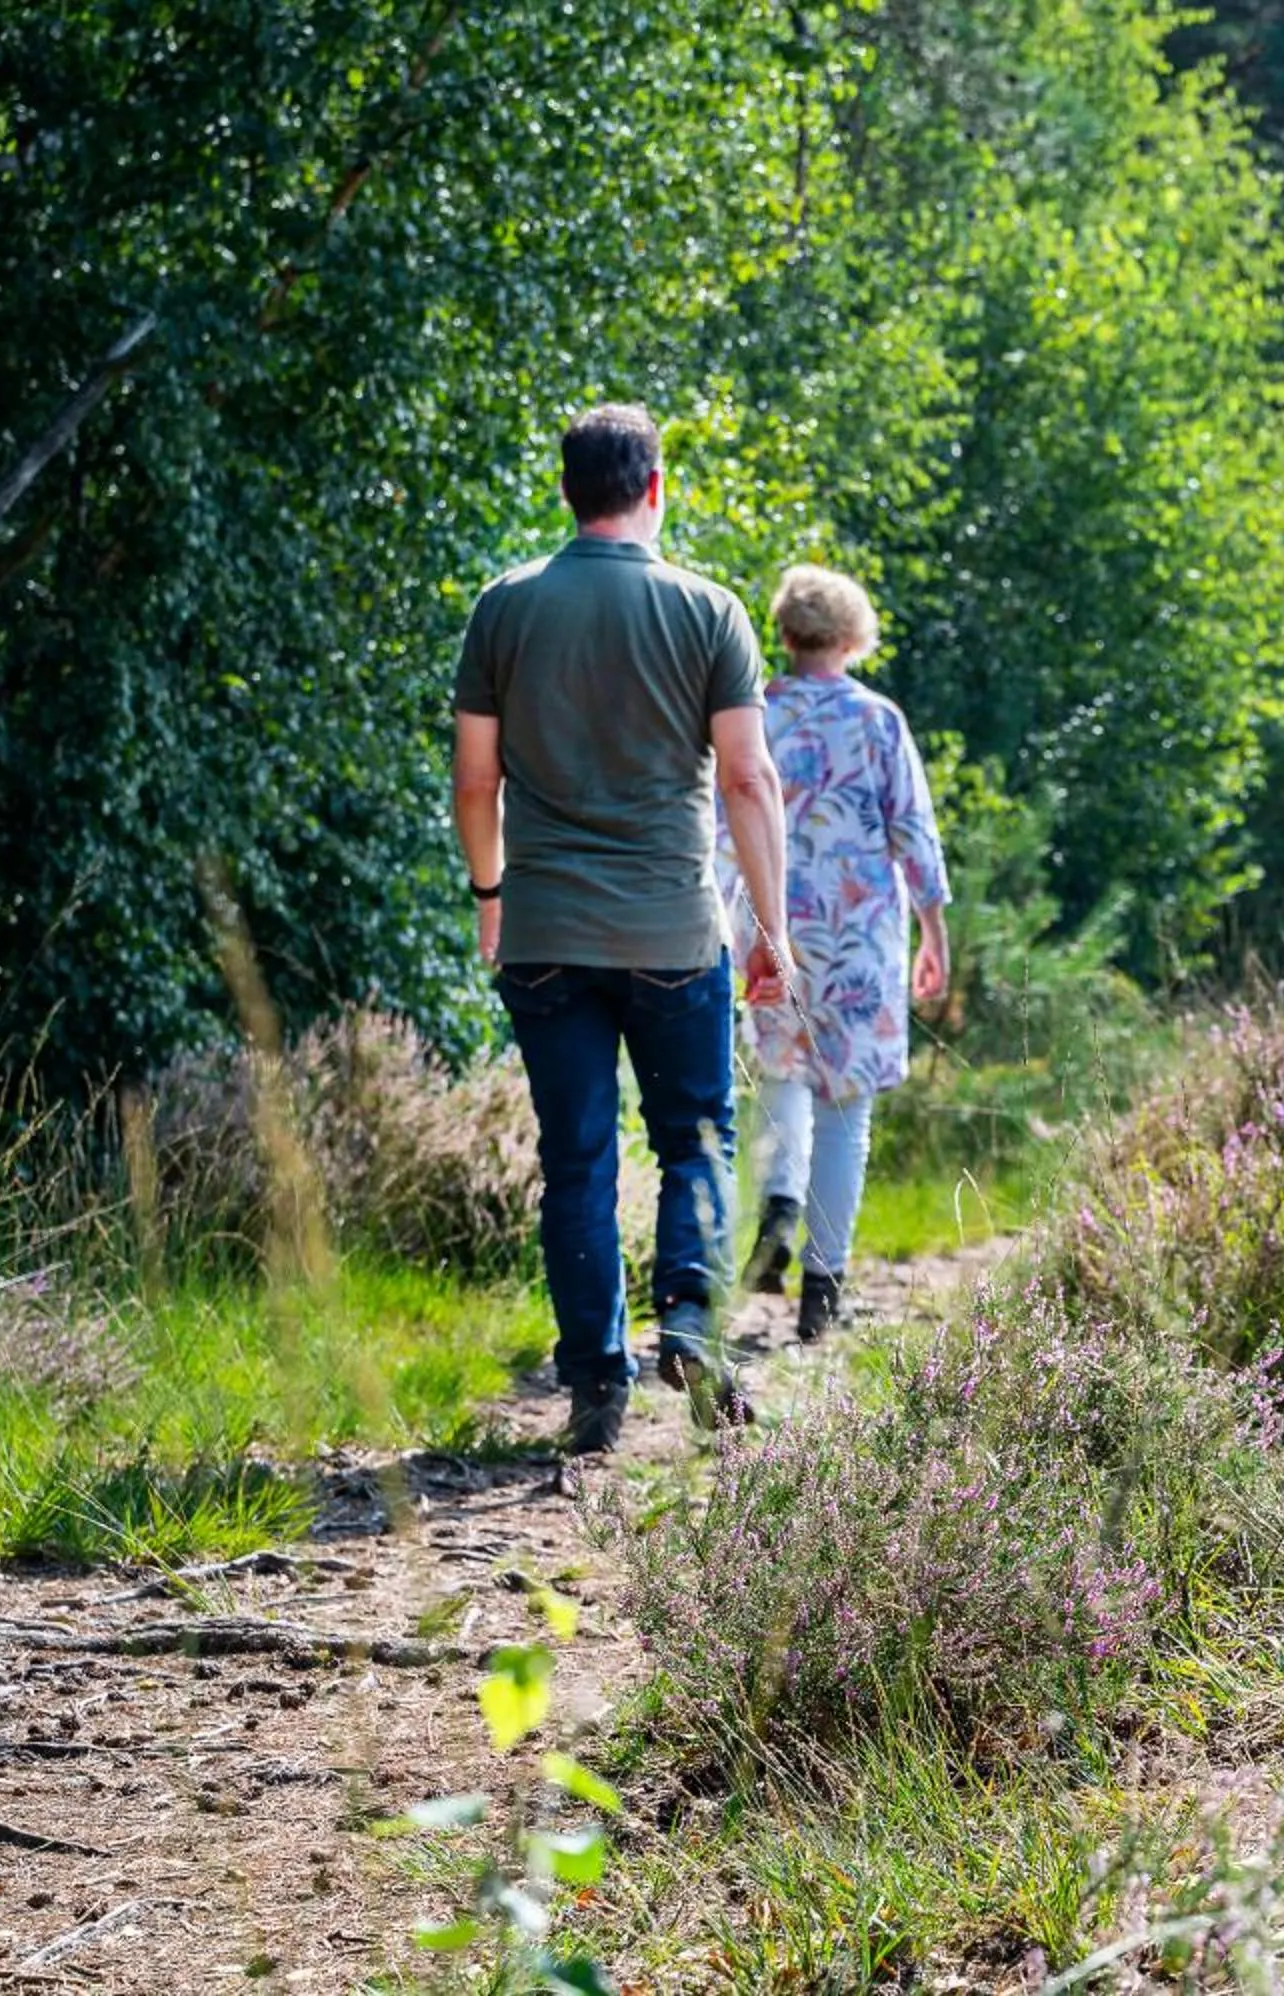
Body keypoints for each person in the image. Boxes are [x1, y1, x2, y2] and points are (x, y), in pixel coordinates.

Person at [450, 404, 798, 1472]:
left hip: (547, 928)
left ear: (567, 491)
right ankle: (690, 1330)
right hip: (673, 930)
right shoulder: (709, 610)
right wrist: (772, 929)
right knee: (694, 1136)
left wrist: (490, 894)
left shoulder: (505, 607)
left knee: (577, 1161)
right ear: (656, 488)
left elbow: (475, 781)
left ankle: (596, 1377)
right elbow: (746, 777)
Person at [726, 565, 951, 1342]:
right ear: (853, 638)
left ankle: (779, 1208)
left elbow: (730, 812)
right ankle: (823, 1287)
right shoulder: (879, 719)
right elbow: (912, 833)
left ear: (785, 634)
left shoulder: (754, 714)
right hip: (859, 937)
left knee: (781, 1073)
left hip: (773, 929)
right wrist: (935, 933)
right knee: (845, 1108)